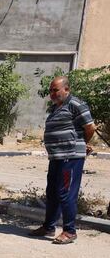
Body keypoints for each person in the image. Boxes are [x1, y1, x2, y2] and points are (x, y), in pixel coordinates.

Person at [28, 76, 96, 244]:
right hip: (57, 157)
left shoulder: (76, 105)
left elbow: (90, 127)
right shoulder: (55, 108)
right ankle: (49, 227)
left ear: (67, 89)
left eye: (55, 90)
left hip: (70, 157)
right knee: (52, 193)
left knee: (66, 193)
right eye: (51, 90)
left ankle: (70, 231)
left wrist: (81, 144)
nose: (52, 93)